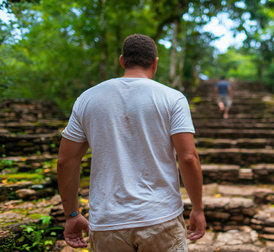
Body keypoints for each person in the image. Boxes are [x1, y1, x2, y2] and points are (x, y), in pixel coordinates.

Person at [57, 34, 205, 251]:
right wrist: (198, 209)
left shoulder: (87, 99)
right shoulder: (172, 98)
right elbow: (188, 157)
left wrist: (72, 214)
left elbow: (65, 161)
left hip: (107, 222)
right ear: (155, 63)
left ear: (122, 61)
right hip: (160, 217)